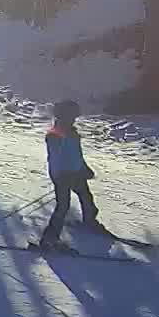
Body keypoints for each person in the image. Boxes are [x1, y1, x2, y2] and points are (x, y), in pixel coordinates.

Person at [39, 100, 99, 246]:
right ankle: (49, 239)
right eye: (71, 117)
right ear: (62, 117)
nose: (74, 120)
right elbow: (55, 158)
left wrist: (84, 168)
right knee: (63, 206)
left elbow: (76, 155)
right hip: (62, 176)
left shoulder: (72, 133)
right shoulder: (54, 135)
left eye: (74, 117)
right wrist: (62, 176)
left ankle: (90, 221)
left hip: (76, 173)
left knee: (87, 198)